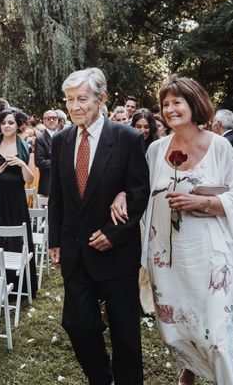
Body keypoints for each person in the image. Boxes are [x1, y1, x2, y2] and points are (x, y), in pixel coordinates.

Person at [141, 77, 233, 385]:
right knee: (176, 329)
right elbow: (142, 195)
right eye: (166, 104)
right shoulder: (155, 151)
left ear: (194, 104)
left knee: (218, 335)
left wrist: (199, 201)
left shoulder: (220, 146)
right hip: (168, 257)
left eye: (178, 102)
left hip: (211, 254)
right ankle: (188, 372)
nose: (171, 109)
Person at [48, 68, 149, 385]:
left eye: (82, 99)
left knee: (125, 334)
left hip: (116, 253)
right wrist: (54, 240)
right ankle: (100, 378)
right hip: (75, 251)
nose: (75, 107)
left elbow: (139, 191)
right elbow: (58, 197)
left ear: (102, 99)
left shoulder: (127, 138)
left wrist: (113, 233)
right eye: (69, 100)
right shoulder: (61, 140)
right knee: (76, 324)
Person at [0, 107, 38, 297]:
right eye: (3, 122)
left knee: (16, 239)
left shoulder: (25, 147)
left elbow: (29, 180)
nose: (6, 126)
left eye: (10, 123)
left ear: (18, 125)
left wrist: (21, 163)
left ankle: (18, 286)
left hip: (15, 199)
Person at [35, 110, 57, 196]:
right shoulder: (40, 139)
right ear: (44, 121)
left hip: (63, 180)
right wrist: (57, 163)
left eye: (54, 118)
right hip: (48, 180)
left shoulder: (64, 136)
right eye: (48, 118)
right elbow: (39, 162)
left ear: (57, 120)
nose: (51, 120)